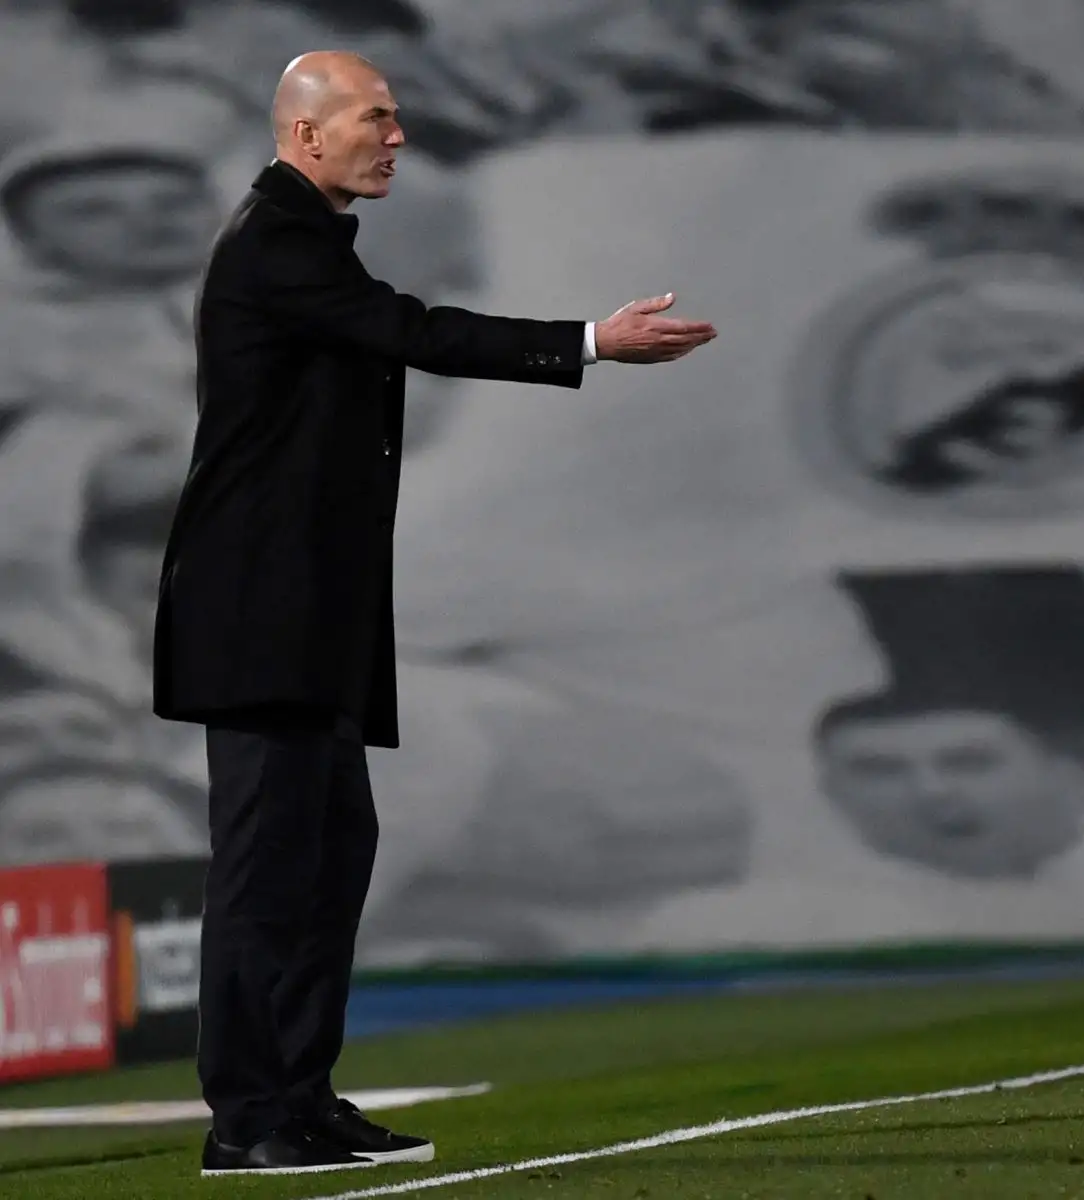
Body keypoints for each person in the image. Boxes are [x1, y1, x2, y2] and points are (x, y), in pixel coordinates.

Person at [151, 51, 715, 1177]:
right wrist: (588, 341)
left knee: (328, 856)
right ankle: (246, 1119)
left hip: (309, 617)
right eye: (377, 117)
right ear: (308, 136)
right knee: (266, 870)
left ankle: (300, 1098)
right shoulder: (275, 242)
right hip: (260, 619)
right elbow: (414, 331)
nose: (397, 136)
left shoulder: (307, 239)